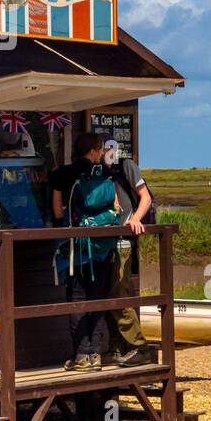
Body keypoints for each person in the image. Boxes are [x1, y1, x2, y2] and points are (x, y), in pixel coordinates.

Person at [54, 134, 159, 371]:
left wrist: (135, 220)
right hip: (106, 244)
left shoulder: (122, 167)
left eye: (110, 148)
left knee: (113, 297)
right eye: (104, 148)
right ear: (98, 150)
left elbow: (145, 198)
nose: (106, 152)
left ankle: (135, 348)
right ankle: (110, 351)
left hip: (109, 243)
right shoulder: (102, 173)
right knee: (105, 296)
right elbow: (116, 206)